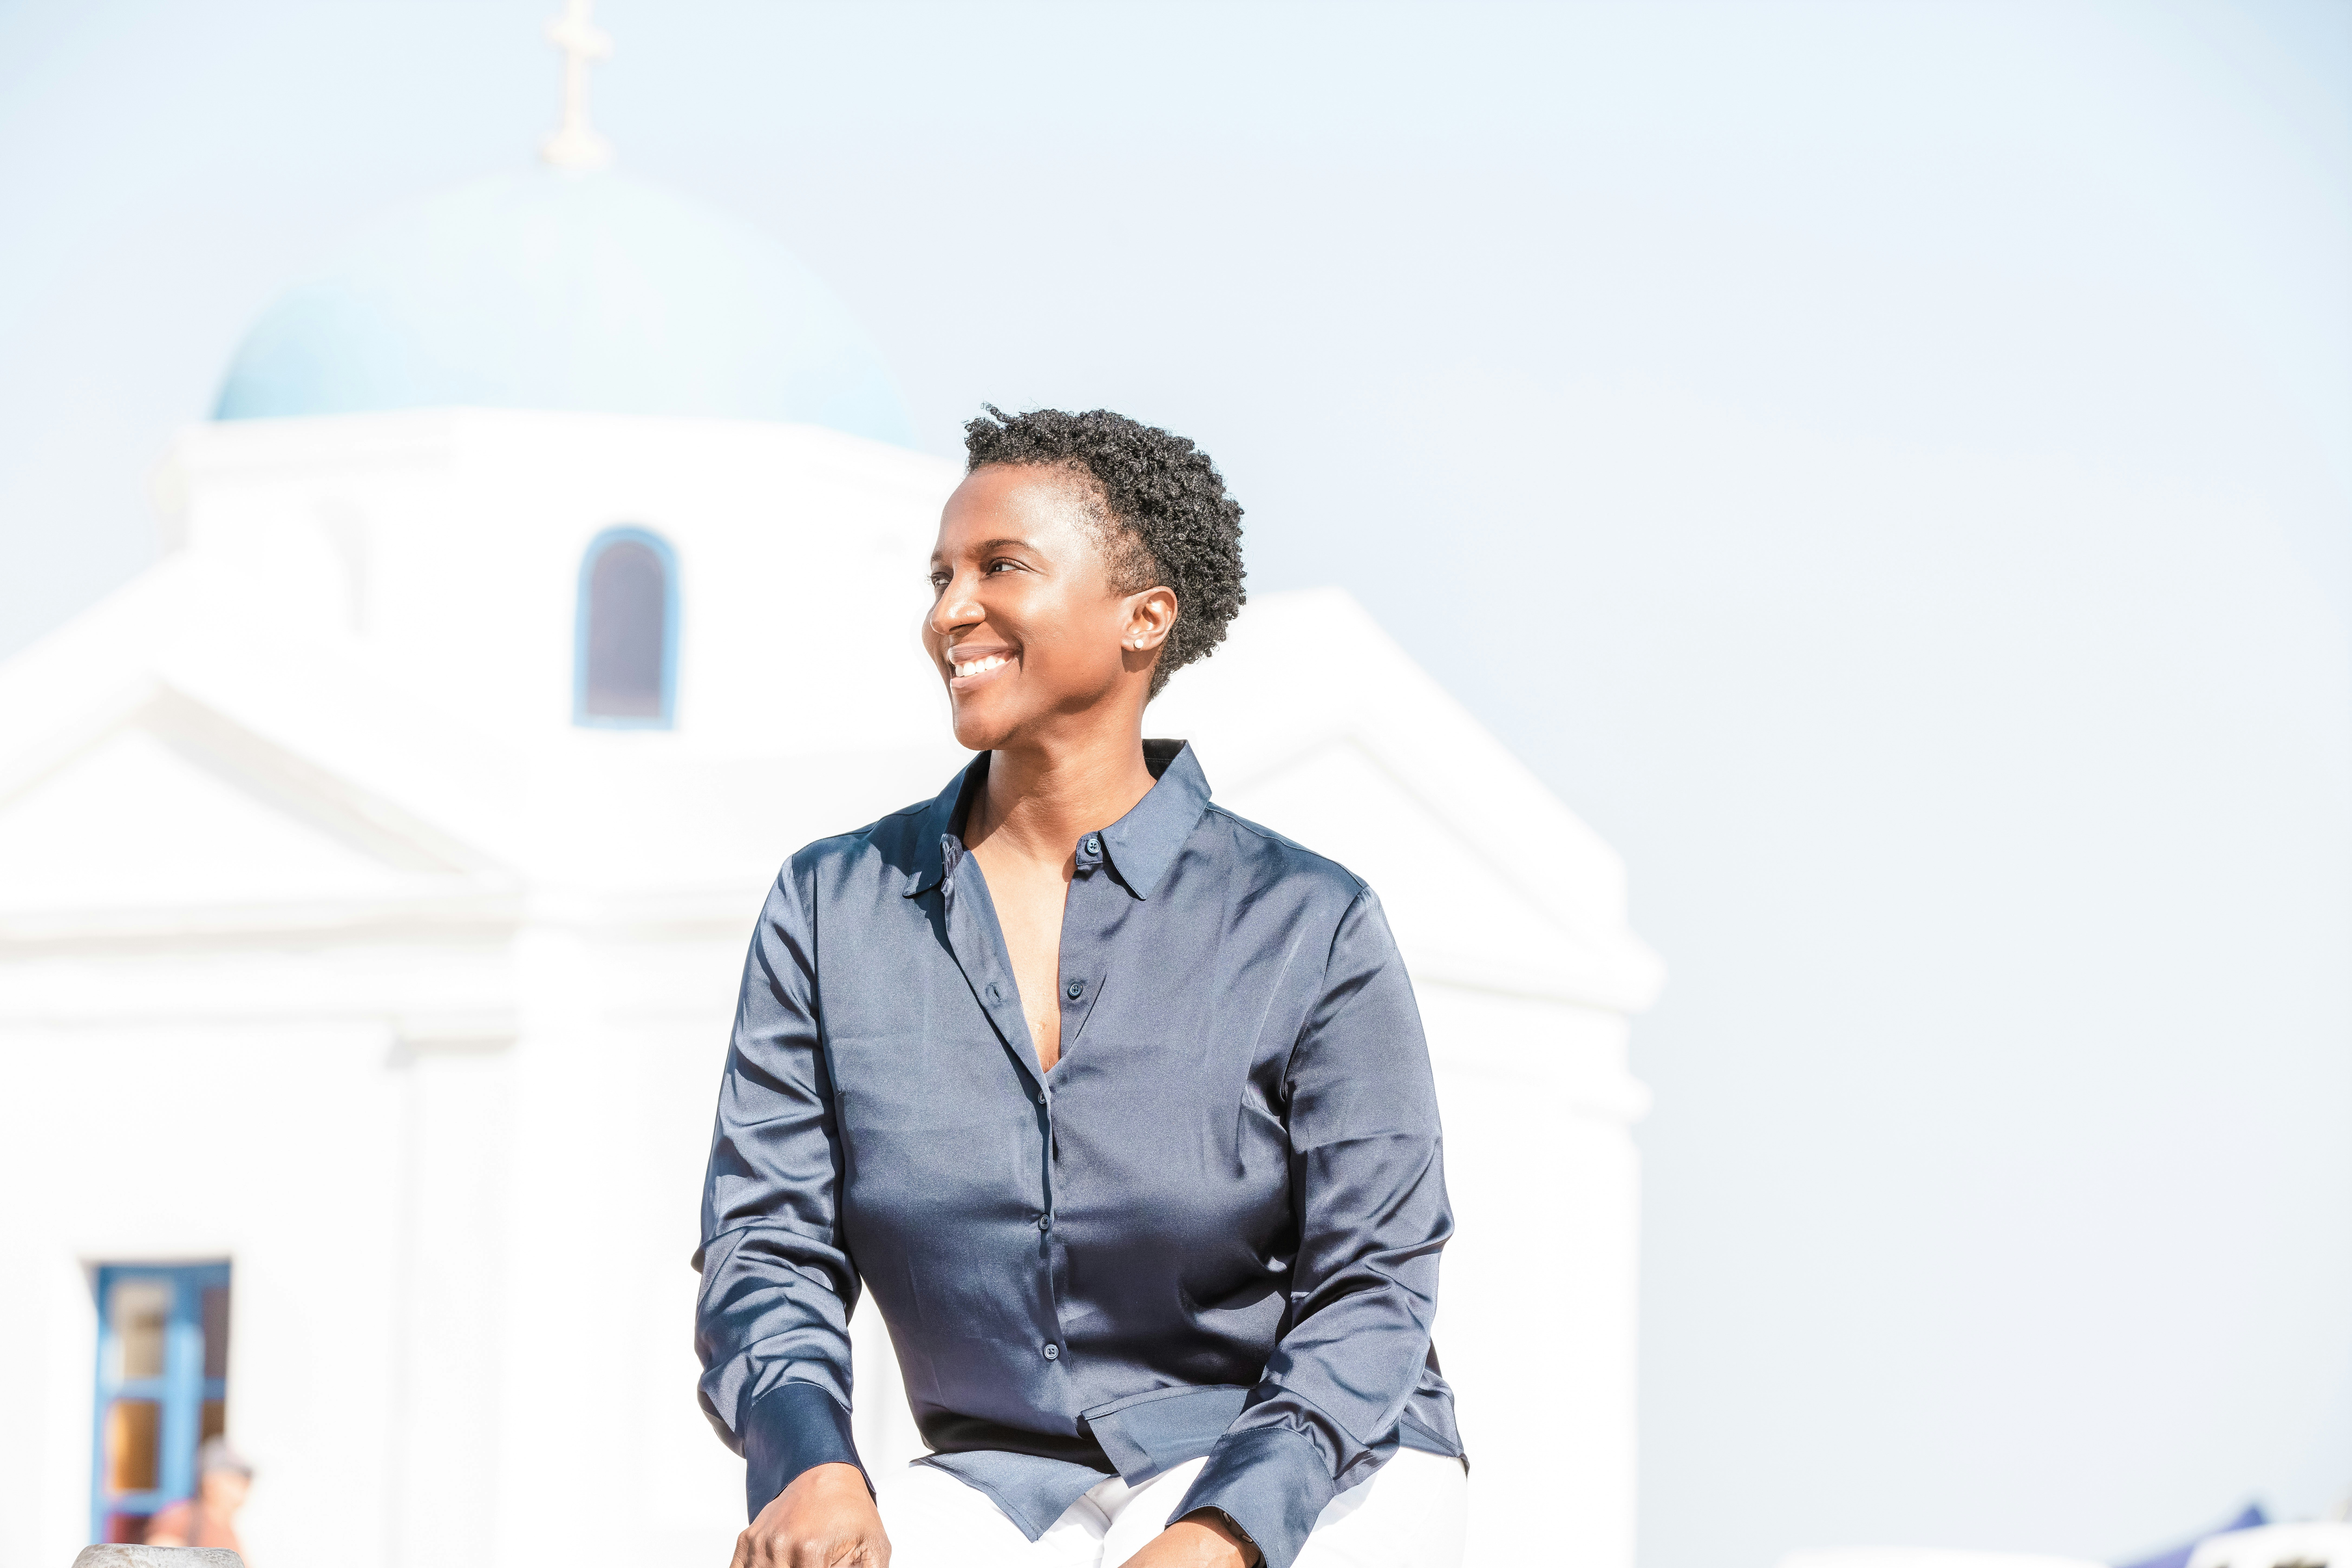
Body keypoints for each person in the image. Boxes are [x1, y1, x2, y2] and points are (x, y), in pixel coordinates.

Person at [696, 407, 1465, 1568]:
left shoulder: (1312, 925)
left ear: (1143, 618)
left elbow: (1374, 1282)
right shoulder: (828, 906)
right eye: (942, 574)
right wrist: (808, 1459)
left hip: (1310, 1453)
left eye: (1001, 567)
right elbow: (768, 1238)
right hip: (1002, 1477)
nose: (950, 610)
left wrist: (1224, 1528)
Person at [144, 1437, 252, 1555]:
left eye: (245, 1482)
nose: (242, 1489)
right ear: (210, 1483)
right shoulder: (182, 1520)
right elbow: (158, 1560)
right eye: (234, 1481)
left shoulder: (227, 1529)